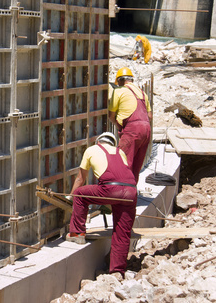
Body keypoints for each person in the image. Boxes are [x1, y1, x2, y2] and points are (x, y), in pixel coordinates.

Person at [66, 132, 137, 276]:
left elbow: (80, 179)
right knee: (122, 232)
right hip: (131, 191)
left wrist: (70, 197)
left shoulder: (91, 150)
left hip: (111, 188)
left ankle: (77, 233)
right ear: (112, 143)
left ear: (99, 142)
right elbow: (122, 176)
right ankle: (117, 271)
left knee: (80, 194)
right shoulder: (120, 152)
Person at [108, 67, 152, 183]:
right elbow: (150, 116)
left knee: (123, 163)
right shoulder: (142, 93)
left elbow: (111, 115)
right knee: (136, 166)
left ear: (120, 81)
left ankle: (122, 196)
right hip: (146, 130)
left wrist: (118, 126)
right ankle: (132, 195)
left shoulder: (118, 91)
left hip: (132, 130)